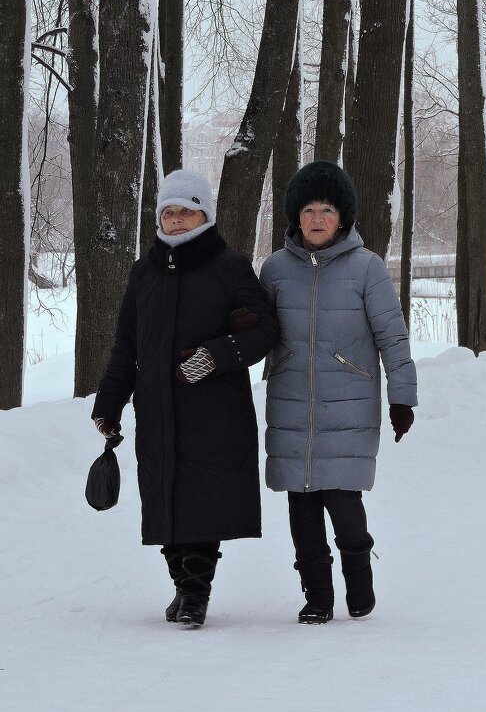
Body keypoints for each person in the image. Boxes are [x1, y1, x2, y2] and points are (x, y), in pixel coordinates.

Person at [91, 169, 279, 627]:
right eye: (169, 212)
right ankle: (181, 585)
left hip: (212, 411)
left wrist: (215, 356)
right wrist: (109, 404)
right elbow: (126, 346)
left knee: (202, 501)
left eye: (186, 211)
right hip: (156, 407)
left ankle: (195, 593)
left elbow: (267, 329)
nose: (177, 220)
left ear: (204, 215)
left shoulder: (229, 266)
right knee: (166, 499)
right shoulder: (144, 273)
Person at [259, 160, 418, 625]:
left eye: (327, 209)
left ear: (342, 217)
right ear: (295, 216)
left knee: (344, 503)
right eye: (308, 209)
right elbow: (256, 331)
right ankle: (317, 597)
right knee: (301, 508)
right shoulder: (274, 269)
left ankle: (360, 583)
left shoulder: (367, 269)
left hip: (349, 404)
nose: (317, 218)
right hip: (291, 405)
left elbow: (393, 336)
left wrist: (402, 396)